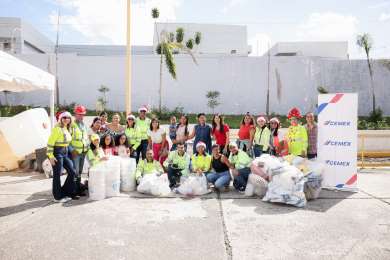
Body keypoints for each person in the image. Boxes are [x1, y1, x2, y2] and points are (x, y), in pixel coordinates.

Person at [46, 111, 76, 203]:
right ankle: (57, 197)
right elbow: (50, 143)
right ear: (61, 119)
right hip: (57, 153)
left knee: (72, 172)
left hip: (65, 152)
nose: (66, 119)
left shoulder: (67, 128)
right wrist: (50, 156)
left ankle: (64, 192)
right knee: (57, 175)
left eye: (68, 117)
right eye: (64, 117)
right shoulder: (57, 129)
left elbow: (68, 142)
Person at [69, 105, 89, 196]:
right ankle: (73, 191)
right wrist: (72, 150)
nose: (81, 116)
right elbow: (67, 140)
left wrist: (87, 148)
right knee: (75, 172)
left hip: (83, 152)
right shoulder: (71, 125)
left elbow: (85, 138)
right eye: (79, 114)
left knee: (80, 172)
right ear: (75, 114)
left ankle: (78, 189)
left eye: (83, 114)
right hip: (75, 153)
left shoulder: (83, 125)